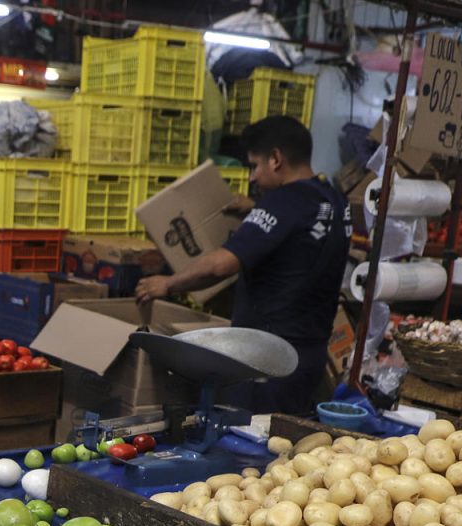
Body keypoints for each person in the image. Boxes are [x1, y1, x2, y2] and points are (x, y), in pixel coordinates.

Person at [137, 115, 351, 416]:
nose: (252, 178)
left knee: (252, 447)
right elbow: (303, 231)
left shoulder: (281, 202)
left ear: (276, 159)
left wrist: (166, 284)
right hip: (309, 353)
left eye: (255, 165)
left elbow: (220, 265)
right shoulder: (334, 200)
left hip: (266, 357)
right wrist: (256, 212)